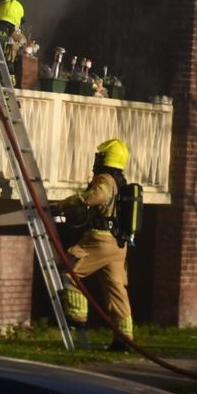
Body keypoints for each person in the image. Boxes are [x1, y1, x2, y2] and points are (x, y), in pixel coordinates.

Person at [54, 138, 134, 351]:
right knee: (116, 291)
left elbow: (97, 196)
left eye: (99, 155)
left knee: (67, 269)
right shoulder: (121, 182)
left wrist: (65, 203)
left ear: (105, 158)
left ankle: (77, 317)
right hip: (119, 245)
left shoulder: (105, 180)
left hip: (100, 241)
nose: (96, 159)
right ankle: (124, 340)